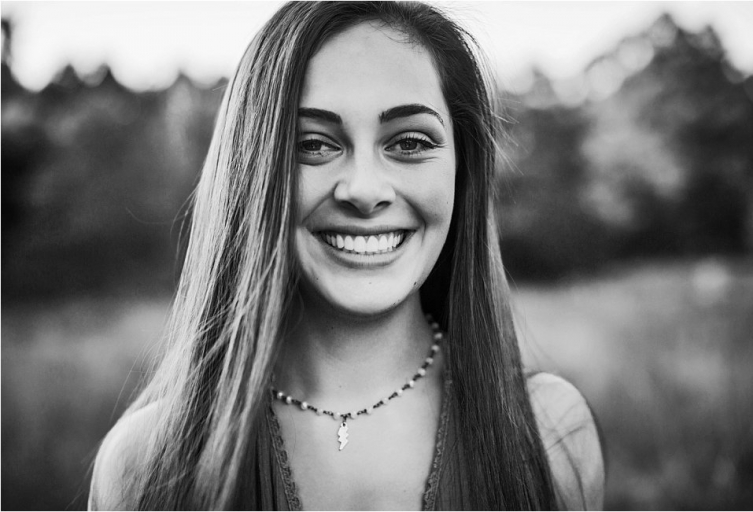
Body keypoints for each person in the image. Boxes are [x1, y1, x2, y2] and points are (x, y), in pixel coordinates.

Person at [89, 2, 604, 510]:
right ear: (252, 171)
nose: (363, 190)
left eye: (408, 142)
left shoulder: (552, 435)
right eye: (314, 145)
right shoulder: (146, 466)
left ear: (461, 172)